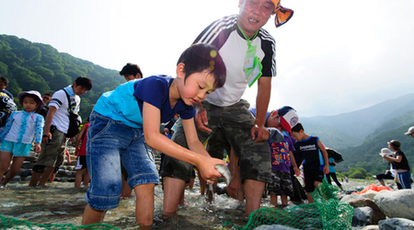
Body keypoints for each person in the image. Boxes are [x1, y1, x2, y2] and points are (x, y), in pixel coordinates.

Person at [161, 0, 294, 217]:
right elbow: (189, 61)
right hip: (205, 99)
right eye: (252, 2)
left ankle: (253, 218)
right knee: (181, 140)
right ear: (240, 3)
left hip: (236, 105)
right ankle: (167, 215)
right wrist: (197, 105)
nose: (257, 11)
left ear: (272, 14)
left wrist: (260, 123)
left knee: (258, 145)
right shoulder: (221, 28)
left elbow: (265, 84)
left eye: (266, 7)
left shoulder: (267, 42)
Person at [81, 43, 227, 229]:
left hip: (137, 130)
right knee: (107, 188)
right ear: (181, 70)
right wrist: (199, 161)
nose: (201, 96)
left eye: (208, 92)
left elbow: (193, 142)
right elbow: (152, 138)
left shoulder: (186, 105)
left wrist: (210, 163)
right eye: (200, 86)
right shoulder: (155, 85)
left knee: (147, 179)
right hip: (109, 122)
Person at [29, 77, 92, 187]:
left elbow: (74, 115)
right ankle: (33, 185)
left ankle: (43, 183)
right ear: (74, 84)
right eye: (81, 88)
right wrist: (46, 131)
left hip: (65, 132)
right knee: (47, 157)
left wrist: (72, 133)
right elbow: (51, 112)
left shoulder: (76, 98)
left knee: (57, 160)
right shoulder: (61, 94)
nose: (82, 91)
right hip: (56, 129)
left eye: (85, 90)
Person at [252, 106, 300, 207]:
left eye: (283, 128)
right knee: (273, 189)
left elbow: (290, 152)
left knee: (286, 189)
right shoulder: (254, 115)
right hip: (273, 167)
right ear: (274, 114)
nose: (279, 129)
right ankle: (273, 207)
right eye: (279, 125)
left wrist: (295, 166)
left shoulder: (287, 138)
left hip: (285, 168)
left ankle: (284, 206)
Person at [0, 91, 45, 188]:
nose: (28, 105)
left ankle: (3, 184)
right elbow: (7, 127)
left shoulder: (39, 118)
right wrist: (1, 138)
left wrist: (38, 143)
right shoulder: (15, 114)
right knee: (3, 166)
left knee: (15, 170)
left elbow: (39, 130)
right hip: (8, 141)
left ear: (37, 104)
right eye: (25, 102)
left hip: (24, 143)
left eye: (31, 103)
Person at [119, 63, 144, 198]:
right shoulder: (127, 92)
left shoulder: (145, 92)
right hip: (126, 134)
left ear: (137, 76)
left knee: (132, 166)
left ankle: (127, 194)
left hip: (139, 136)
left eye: (128, 78)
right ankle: (125, 194)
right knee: (124, 166)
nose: (127, 82)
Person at [291, 123, 329, 203]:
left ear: (301, 131)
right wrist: (296, 168)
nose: (294, 138)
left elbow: (324, 152)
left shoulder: (315, 139)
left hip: (318, 167)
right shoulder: (298, 144)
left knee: (317, 184)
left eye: (295, 135)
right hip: (307, 168)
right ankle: (311, 206)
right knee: (309, 188)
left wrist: (326, 165)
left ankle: (324, 202)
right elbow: (296, 157)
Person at [73, 118, 90, 188]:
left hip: (83, 151)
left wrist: (77, 148)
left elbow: (78, 138)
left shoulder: (85, 126)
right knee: (88, 172)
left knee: (79, 172)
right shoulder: (97, 126)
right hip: (93, 153)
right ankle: (85, 187)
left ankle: (76, 188)